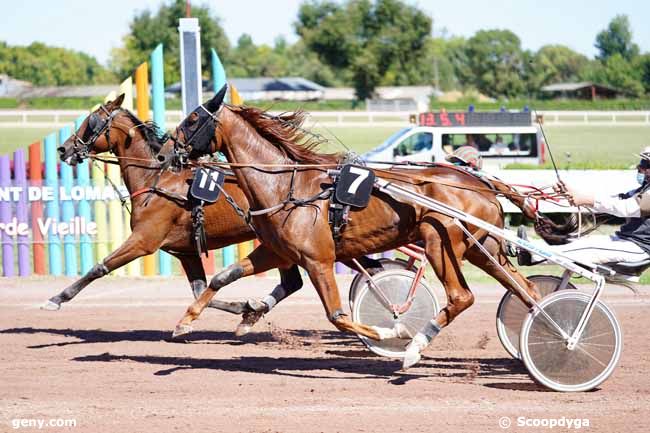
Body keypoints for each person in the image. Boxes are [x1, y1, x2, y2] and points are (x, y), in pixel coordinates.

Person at [517, 147, 650, 267]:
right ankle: (533, 246)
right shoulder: (643, 188)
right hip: (627, 240)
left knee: (589, 248)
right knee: (581, 242)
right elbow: (613, 200)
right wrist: (574, 194)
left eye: (645, 164)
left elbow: (627, 208)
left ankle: (534, 255)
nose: (639, 167)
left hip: (639, 248)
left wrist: (586, 199)